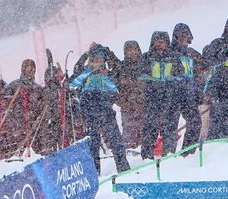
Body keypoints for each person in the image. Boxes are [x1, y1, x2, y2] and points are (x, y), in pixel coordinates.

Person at [71, 44, 131, 173]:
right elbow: (73, 80)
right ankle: (94, 172)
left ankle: (124, 169)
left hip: (106, 111)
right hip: (89, 112)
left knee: (116, 141)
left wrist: (108, 55)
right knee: (93, 143)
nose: (97, 63)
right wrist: (86, 56)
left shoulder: (108, 73)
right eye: (94, 60)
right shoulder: (85, 73)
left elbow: (117, 80)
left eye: (100, 60)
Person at [140, 31, 182, 159]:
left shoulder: (173, 57)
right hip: (152, 98)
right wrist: (153, 84)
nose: (159, 44)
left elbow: (180, 75)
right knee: (150, 127)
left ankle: (169, 155)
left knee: (170, 127)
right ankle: (147, 157)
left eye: (162, 41)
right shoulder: (146, 57)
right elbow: (140, 75)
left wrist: (170, 85)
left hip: (170, 98)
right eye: (157, 41)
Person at [170, 23, 204, 153]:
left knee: (195, 122)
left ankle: (188, 152)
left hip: (188, 94)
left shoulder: (191, 53)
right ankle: (169, 153)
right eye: (180, 36)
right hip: (172, 94)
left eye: (186, 36)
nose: (183, 39)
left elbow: (204, 63)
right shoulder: (170, 52)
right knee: (171, 126)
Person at [113, 40, 145, 149]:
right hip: (127, 109)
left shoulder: (144, 66)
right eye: (128, 50)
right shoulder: (120, 68)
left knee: (145, 134)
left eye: (134, 49)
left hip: (143, 107)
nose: (131, 52)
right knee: (129, 137)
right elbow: (112, 87)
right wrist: (121, 101)